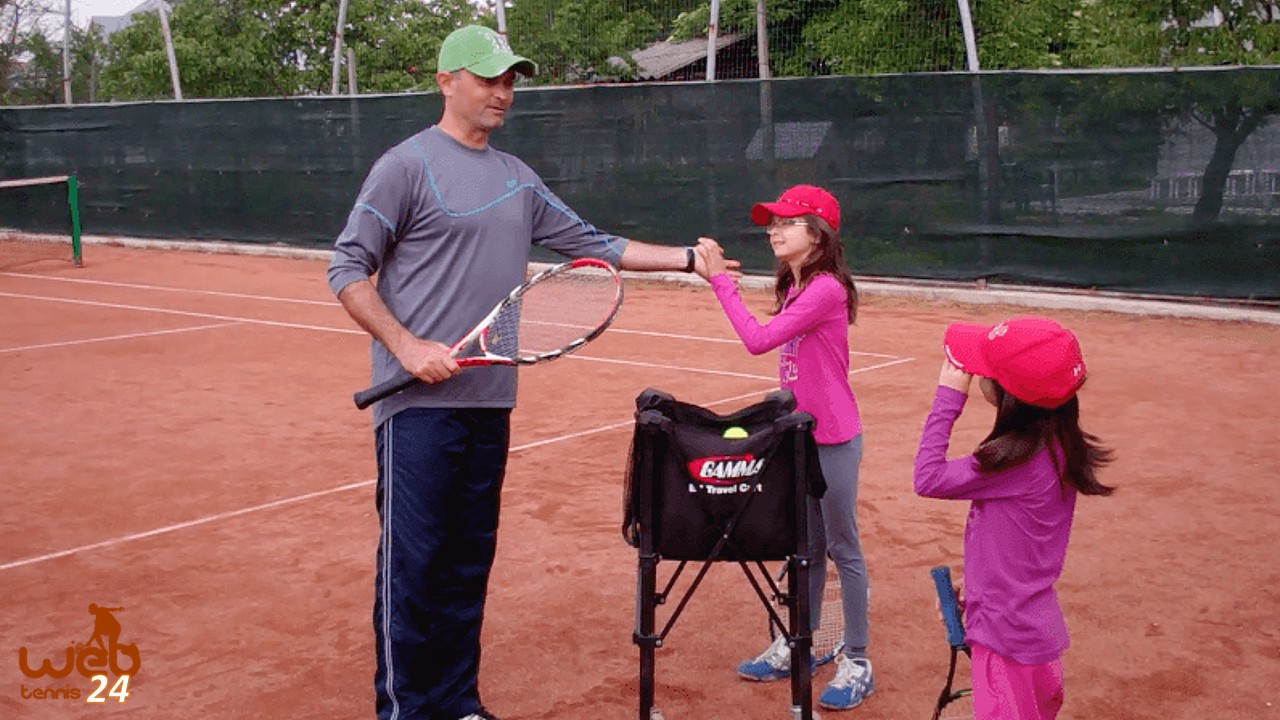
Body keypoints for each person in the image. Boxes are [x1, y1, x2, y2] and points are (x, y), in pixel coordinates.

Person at [327, 24, 738, 720]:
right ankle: (403, 708)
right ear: (445, 82)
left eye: (510, 78)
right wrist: (405, 345)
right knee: (414, 568)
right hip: (417, 410)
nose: (503, 91)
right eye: (488, 78)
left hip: (490, 400)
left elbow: (592, 243)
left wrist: (687, 261)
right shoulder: (405, 166)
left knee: (465, 565)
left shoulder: (518, 178)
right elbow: (346, 269)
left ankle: (457, 701)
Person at [692, 184, 874, 711]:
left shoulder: (826, 289)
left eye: (787, 222)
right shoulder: (796, 287)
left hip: (834, 439)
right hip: (799, 436)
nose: (774, 230)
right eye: (771, 222)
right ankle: (806, 643)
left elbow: (757, 340)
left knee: (844, 549)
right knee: (808, 549)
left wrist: (720, 282)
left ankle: (857, 658)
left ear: (818, 236)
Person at [913, 317, 1115, 720]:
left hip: (1005, 643)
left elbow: (927, 477)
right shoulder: (1059, 444)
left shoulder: (1013, 462)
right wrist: (979, 582)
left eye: (982, 371)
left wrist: (948, 398)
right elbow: (1020, 544)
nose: (972, 374)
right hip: (1032, 633)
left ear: (1008, 397)